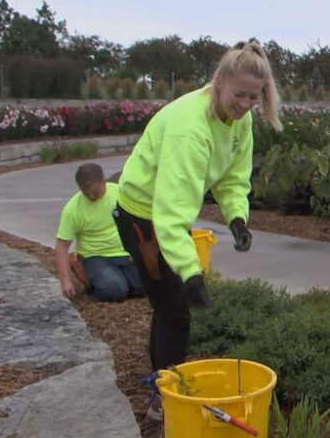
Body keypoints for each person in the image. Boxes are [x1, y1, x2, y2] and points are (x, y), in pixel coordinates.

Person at [112, 39, 282, 420]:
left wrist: (237, 217)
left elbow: (234, 176)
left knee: (165, 304)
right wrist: (192, 273)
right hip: (142, 216)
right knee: (176, 311)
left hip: (164, 215)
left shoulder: (241, 118)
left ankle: (160, 380)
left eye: (254, 98)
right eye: (239, 95)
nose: (245, 105)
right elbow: (171, 213)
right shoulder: (189, 129)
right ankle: (164, 399)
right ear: (218, 82)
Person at [54, 163, 143, 302]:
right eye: (85, 192)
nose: (91, 196)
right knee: (115, 290)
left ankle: (123, 280)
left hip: (125, 253)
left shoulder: (120, 194)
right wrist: (65, 281)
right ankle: (90, 278)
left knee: (146, 286)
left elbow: (137, 221)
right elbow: (62, 245)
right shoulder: (72, 209)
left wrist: (136, 249)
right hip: (95, 257)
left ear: (103, 182)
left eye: (95, 191)